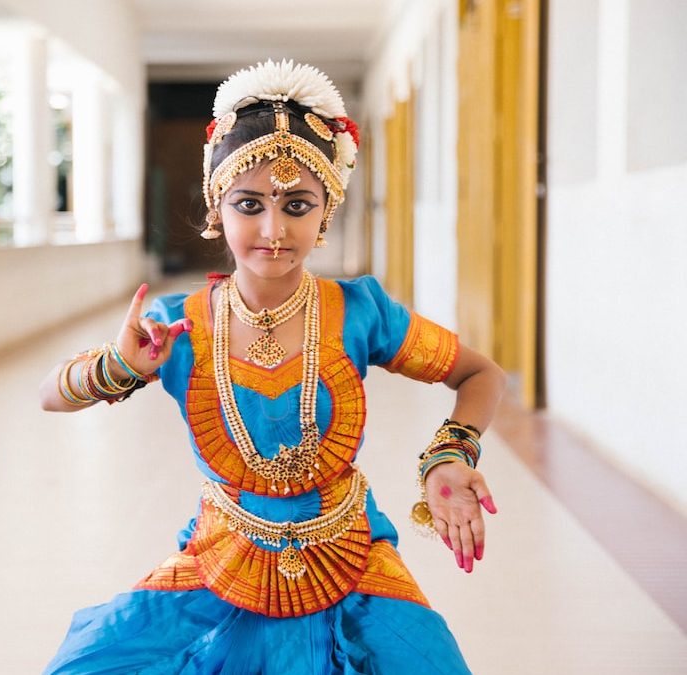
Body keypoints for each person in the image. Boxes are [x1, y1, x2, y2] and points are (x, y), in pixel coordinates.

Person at [39, 59, 506, 674]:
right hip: (221, 555)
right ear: (217, 207)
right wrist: (118, 366)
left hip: (352, 555)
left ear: (326, 210)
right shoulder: (178, 324)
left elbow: (481, 374)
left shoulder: (360, 311)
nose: (273, 229)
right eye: (250, 203)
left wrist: (451, 453)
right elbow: (51, 394)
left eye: (297, 205)